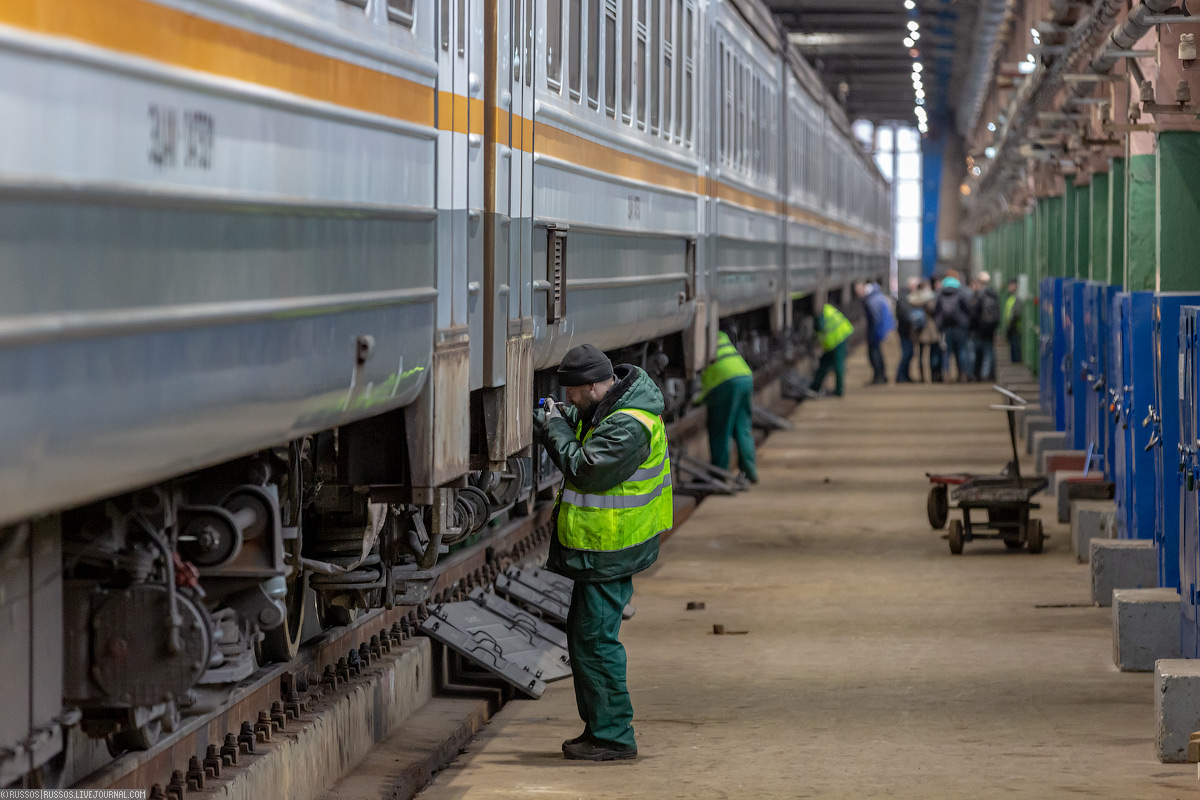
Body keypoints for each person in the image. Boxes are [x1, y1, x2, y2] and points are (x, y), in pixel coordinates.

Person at [533, 344, 671, 762]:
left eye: (572, 392)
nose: (569, 399)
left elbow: (586, 469)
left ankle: (612, 737)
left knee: (594, 639)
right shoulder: (610, 406)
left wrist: (552, 429)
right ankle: (601, 729)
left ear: (593, 386)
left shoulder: (629, 427)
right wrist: (561, 414)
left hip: (613, 548)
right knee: (586, 634)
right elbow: (584, 421)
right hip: (605, 547)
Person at [694, 331, 757, 483]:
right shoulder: (720, 334)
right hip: (745, 376)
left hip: (724, 382)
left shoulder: (696, 337)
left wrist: (698, 399)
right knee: (742, 428)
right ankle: (750, 472)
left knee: (720, 429)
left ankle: (720, 474)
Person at [809, 302, 855, 397]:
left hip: (838, 339)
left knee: (838, 365)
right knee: (824, 363)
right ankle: (815, 387)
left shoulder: (821, 316)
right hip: (834, 341)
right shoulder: (826, 309)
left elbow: (820, 328)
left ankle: (839, 391)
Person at [933, 274, 973, 381]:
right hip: (961, 327)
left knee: (946, 352)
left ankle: (946, 373)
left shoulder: (940, 295)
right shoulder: (961, 294)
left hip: (946, 327)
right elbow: (968, 310)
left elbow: (936, 311)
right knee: (962, 350)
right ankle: (963, 373)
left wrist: (939, 325)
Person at [855, 281, 896, 385]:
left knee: (874, 354)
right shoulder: (875, 296)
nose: (857, 295)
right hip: (877, 329)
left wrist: (878, 332)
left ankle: (879, 377)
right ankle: (880, 376)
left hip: (875, 330)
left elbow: (876, 318)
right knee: (876, 353)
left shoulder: (872, 300)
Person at [969, 271, 1000, 382]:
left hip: (978, 330)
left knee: (976, 353)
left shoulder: (977, 297)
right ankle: (987, 374)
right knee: (989, 352)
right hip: (990, 329)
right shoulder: (993, 294)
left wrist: (971, 328)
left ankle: (977, 374)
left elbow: (973, 315)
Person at [894, 276, 924, 383]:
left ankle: (905, 375)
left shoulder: (908, 296)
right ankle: (900, 376)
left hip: (908, 330)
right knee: (907, 353)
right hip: (905, 330)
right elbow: (905, 313)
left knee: (909, 353)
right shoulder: (904, 297)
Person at [910, 279, 938, 382]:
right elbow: (934, 311)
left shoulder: (912, 297)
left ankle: (922, 376)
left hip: (918, 329)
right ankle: (934, 376)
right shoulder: (929, 298)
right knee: (932, 353)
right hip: (929, 329)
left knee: (920, 354)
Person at [1003, 278, 1022, 364]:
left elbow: (1016, 313)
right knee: (1013, 345)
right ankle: (1015, 360)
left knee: (1015, 345)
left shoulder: (1016, 298)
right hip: (1011, 325)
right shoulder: (1011, 298)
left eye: (1010, 285)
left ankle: (1016, 361)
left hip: (1015, 326)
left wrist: (1011, 324)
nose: (1008, 287)